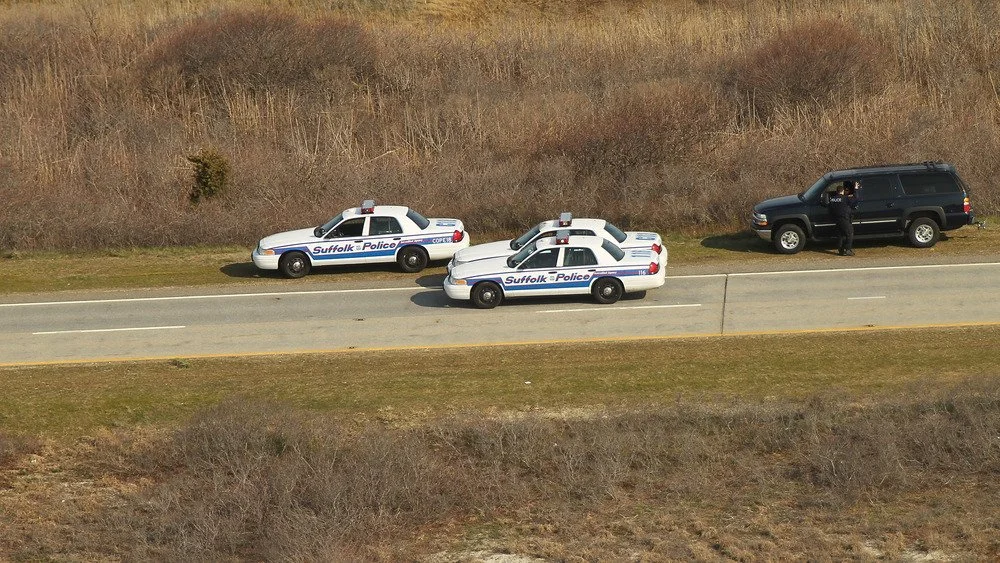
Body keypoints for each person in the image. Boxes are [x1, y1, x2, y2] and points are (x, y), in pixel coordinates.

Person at [828, 180, 858, 256]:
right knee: (850, 233)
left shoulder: (832, 199)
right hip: (844, 218)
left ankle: (840, 250)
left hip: (836, 219)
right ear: (842, 191)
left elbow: (830, 209)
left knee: (840, 235)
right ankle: (847, 249)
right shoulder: (845, 198)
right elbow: (855, 198)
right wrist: (856, 189)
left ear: (837, 191)